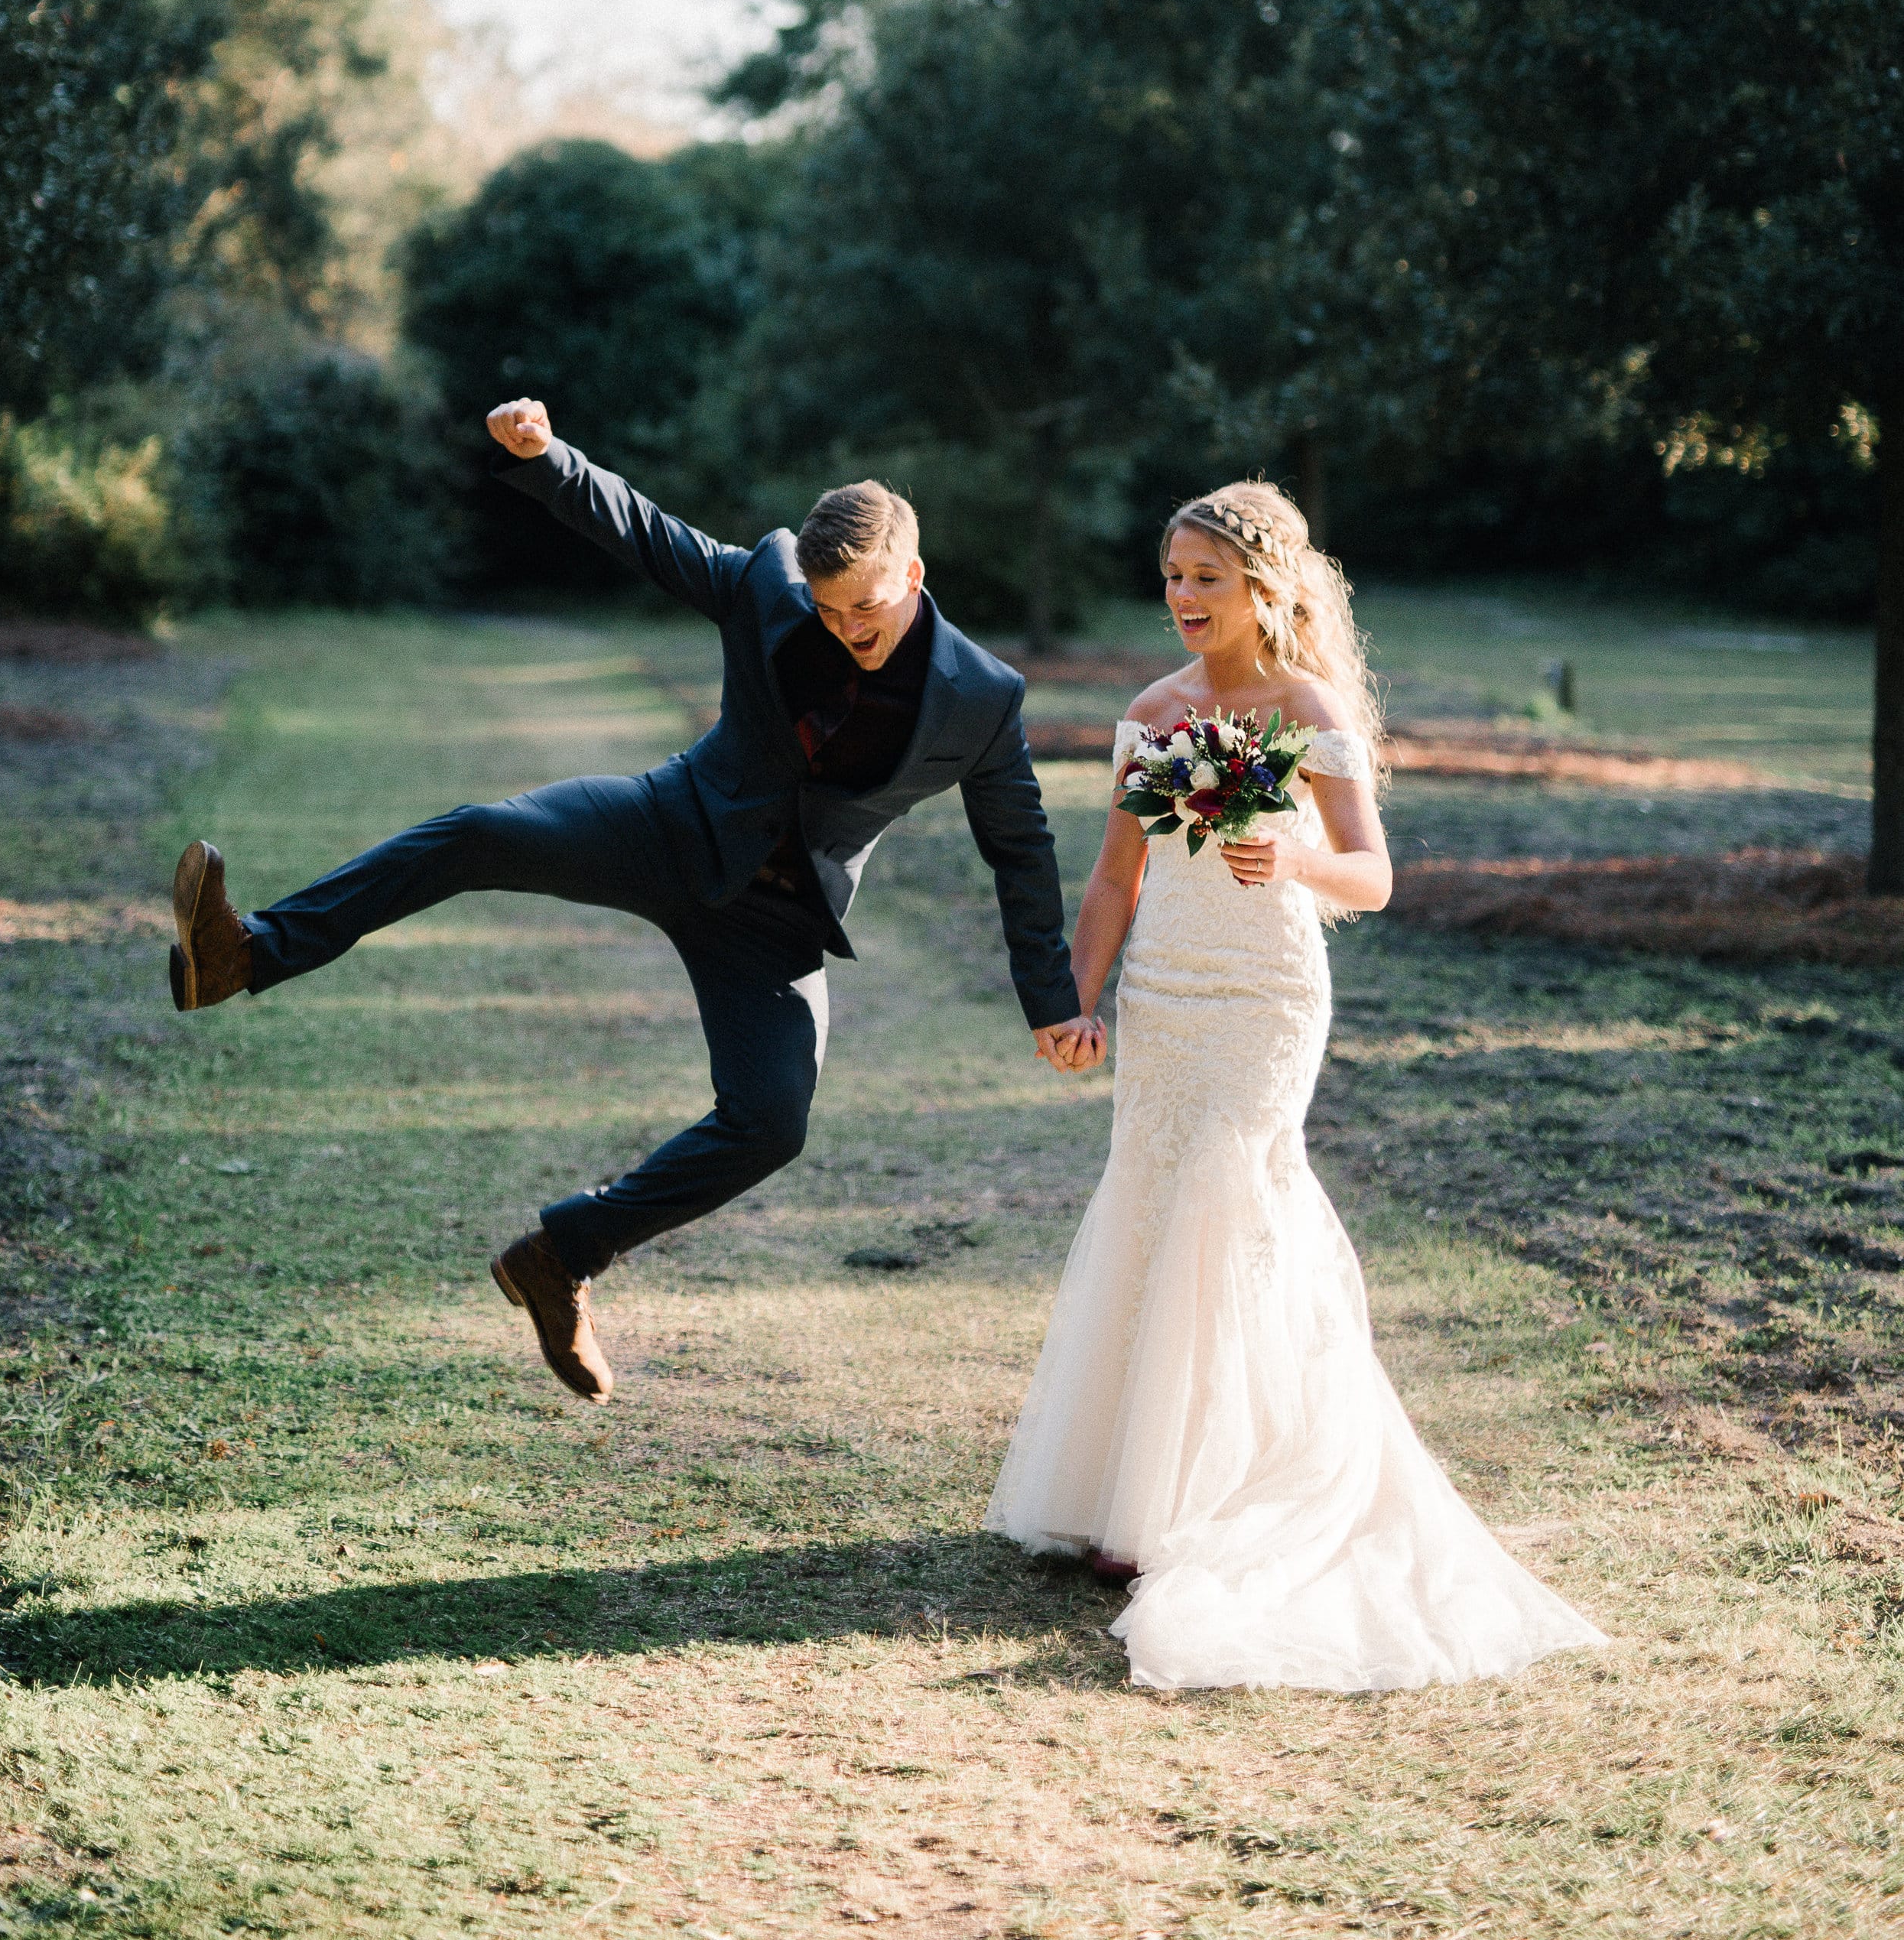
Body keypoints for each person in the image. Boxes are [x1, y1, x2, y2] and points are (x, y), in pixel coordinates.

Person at [167, 397, 1103, 1403]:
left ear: (912, 577)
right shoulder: (768, 583)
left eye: (864, 611)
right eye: (828, 612)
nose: (844, 631)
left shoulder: (983, 699)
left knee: (772, 1124)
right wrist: (549, 457)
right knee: (477, 833)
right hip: (667, 826)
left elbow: (1019, 851)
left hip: (775, 919)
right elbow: (651, 536)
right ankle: (245, 954)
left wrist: (1053, 1003)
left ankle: (560, 1255)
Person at [985, 480, 1603, 1692]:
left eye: (1206, 579)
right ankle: (1131, 1497)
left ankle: (1233, 1490)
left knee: (1234, 1203)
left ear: (1264, 590)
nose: (1183, 597)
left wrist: (1294, 856)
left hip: (1265, 999)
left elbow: (1372, 876)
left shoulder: (1306, 709)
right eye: (1172, 578)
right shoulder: (1151, 714)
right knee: (1152, 1201)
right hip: (1166, 996)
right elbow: (1112, 880)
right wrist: (1074, 1000)